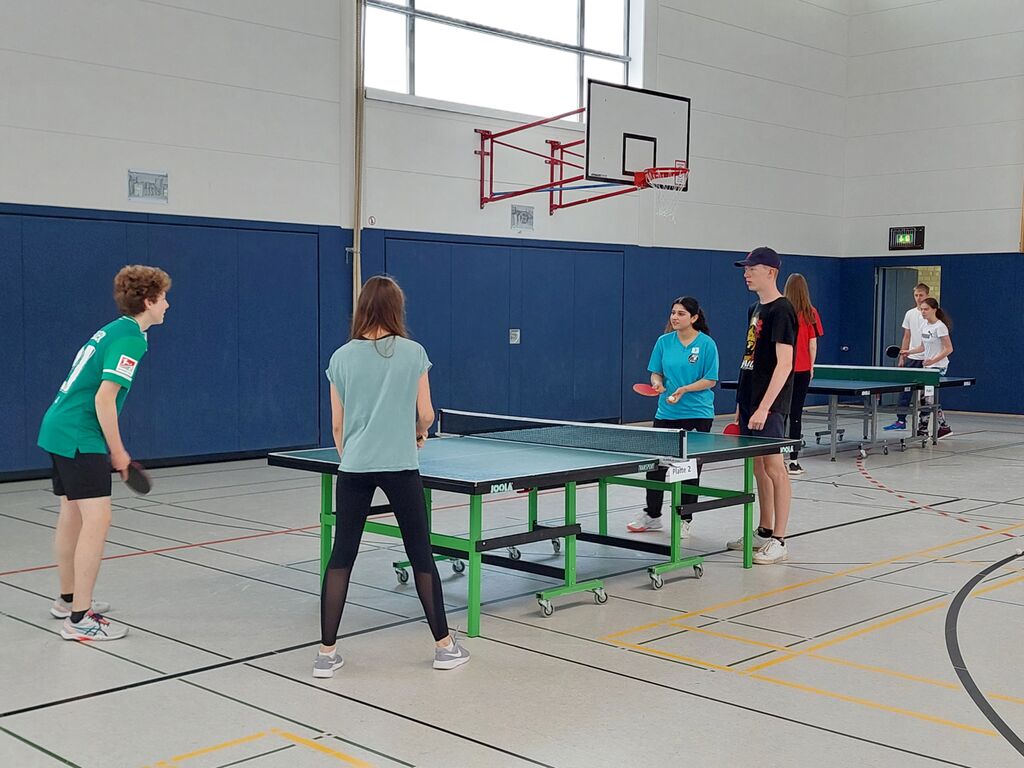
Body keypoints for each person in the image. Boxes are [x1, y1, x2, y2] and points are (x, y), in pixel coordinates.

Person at [316, 275, 469, 678]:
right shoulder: (413, 353)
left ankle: (326, 654)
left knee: (341, 557)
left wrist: (352, 456)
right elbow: (427, 414)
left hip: (354, 467)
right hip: (401, 466)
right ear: (396, 308)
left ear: (363, 308)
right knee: (420, 553)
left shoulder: (340, 358)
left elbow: (337, 425)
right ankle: (444, 647)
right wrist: (417, 434)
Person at [38, 265, 171, 641]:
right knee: (97, 521)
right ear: (149, 301)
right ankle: (80, 619)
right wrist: (118, 451)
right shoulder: (131, 339)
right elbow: (104, 399)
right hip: (80, 435)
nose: (167, 305)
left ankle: (68, 600)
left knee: (71, 514)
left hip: (58, 427)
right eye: (163, 298)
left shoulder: (112, 330)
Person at [727, 247, 797, 565]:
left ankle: (780, 539)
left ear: (770, 272)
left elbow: (785, 364)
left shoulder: (782, 310)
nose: (746, 274)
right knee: (757, 467)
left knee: (774, 467)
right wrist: (742, 403)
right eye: (745, 269)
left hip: (769, 405)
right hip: (749, 399)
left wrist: (765, 407)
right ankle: (764, 529)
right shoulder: (754, 308)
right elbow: (750, 357)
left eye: (752, 268)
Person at [627, 297, 719, 535]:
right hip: (666, 412)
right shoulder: (664, 342)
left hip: (697, 413)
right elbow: (655, 373)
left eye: (681, 313)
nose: (675, 317)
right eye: (673, 313)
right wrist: (657, 383)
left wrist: (685, 389)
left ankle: (684, 518)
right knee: (656, 466)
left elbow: (710, 379)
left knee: (689, 469)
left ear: (694, 318)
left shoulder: (707, 344)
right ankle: (652, 515)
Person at [782, 274, 823, 476]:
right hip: (802, 370)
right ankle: (793, 461)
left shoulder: (781, 310)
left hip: (782, 370)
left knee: (780, 414)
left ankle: (777, 458)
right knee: (796, 414)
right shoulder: (810, 312)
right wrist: (811, 366)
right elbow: (812, 344)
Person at [900, 297, 953, 439]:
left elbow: (949, 349)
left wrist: (933, 360)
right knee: (928, 397)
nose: (923, 312)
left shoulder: (940, 327)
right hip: (928, 367)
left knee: (926, 397)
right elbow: (923, 347)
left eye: (926, 309)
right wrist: (909, 352)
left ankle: (924, 429)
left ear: (934, 310)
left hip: (939, 367)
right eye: (922, 309)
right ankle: (942, 427)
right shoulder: (924, 325)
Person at [885, 283, 930, 431]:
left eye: (921, 295)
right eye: (916, 295)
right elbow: (907, 336)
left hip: (928, 360)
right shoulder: (909, 314)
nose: (918, 298)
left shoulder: (932, 314)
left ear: (927, 295)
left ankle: (924, 423)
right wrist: (902, 356)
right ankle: (901, 420)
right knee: (905, 391)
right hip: (911, 357)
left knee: (927, 394)